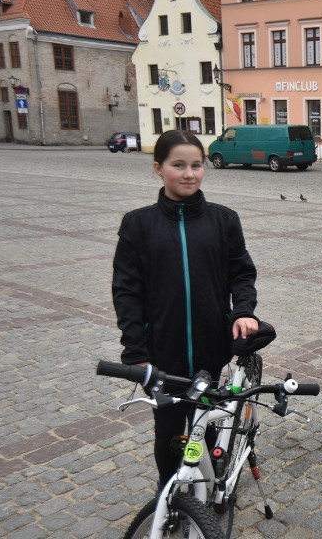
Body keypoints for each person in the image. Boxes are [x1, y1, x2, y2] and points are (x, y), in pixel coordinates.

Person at [112, 130, 259, 487]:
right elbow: (126, 291)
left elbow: (242, 273)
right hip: (162, 351)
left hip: (212, 347)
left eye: (196, 165)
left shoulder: (224, 220)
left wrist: (243, 311)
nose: (189, 173)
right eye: (179, 165)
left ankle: (205, 491)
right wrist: (135, 350)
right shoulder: (138, 224)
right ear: (158, 168)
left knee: (205, 426)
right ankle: (171, 497)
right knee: (168, 434)